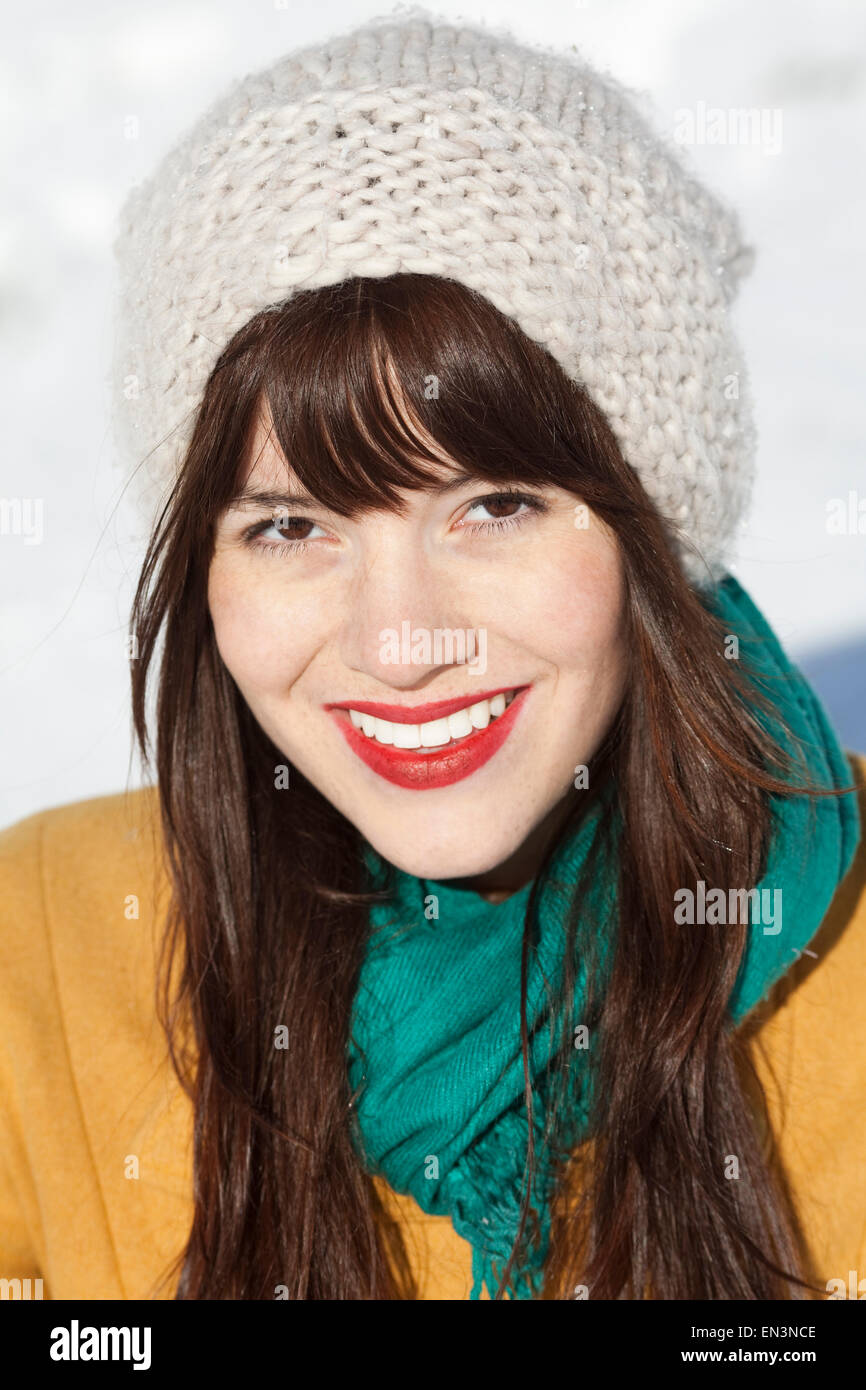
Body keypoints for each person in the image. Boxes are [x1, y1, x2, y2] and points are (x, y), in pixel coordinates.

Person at [1, 11, 864, 1302]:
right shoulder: (46, 947)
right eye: (290, 525)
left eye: (496, 505)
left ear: (647, 528)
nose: (398, 643)